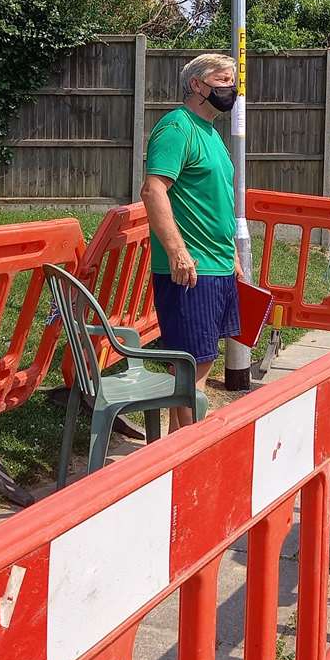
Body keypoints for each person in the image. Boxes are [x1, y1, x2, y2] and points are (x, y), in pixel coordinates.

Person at [139, 53, 243, 433]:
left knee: (198, 364)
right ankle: (191, 458)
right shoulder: (177, 128)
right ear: (197, 84)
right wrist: (178, 251)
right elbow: (153, 190)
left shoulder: (211, 134)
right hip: (191, 269)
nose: (229, 89)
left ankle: (176, 452)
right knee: (191, 369)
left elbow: (213, 198)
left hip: (216, 265)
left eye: (233, 82)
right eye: (221, 80)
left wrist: (230, 254)